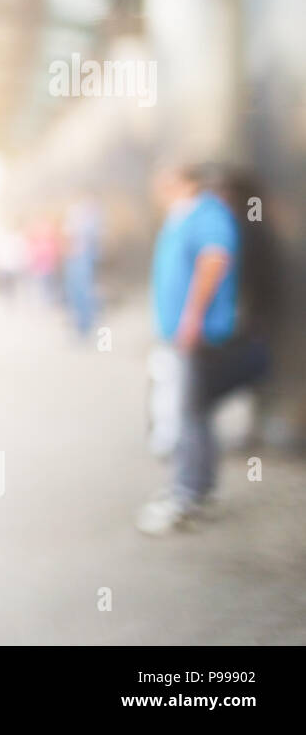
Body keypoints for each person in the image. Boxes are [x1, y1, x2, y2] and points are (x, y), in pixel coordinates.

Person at [136, 163, 269, 535]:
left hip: (200, 337)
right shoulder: (183, 217)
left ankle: (187, 496)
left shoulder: (207, 214)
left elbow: (215, 259)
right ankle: (196, 491)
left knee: (191, 413)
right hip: (186, 335)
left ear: (185, 182)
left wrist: (192, 318)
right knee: (196, 412)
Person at [61, 197, 101, 336]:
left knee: (84, 293)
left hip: (82, 262)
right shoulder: (76, 227)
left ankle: (85, 324)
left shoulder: (90, 226)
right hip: (75, 261)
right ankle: (80, 324)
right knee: (75, 293)